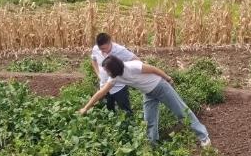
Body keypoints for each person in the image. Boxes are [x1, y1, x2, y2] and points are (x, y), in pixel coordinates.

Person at [78, 55, 211, 147]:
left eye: (107, 70)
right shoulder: (115, 78)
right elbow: (101, 92)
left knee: (181, 112)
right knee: (149, 121)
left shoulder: (132, 66)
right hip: (148, 93)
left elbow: (153, 69)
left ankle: (203, 137)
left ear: (114, 68)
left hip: (160, 87)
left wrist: (168, 78)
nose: (106, 72)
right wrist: (86, 108)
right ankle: (152, 146)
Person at [90, 33, 139, 114]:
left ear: (110, 43)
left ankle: (128, 124)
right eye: (101, 49)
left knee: (125, 109)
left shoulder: (120, 50)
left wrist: (128, 75)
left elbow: (137, 61)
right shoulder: (95, 49)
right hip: (104, 85)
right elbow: (94, 60)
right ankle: (110, 125)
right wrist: (98, 74)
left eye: (105, 48)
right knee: (106, 110)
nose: (103, 51)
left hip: (119, 86)